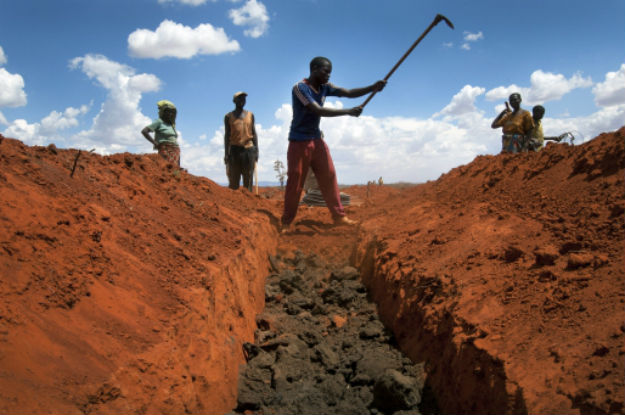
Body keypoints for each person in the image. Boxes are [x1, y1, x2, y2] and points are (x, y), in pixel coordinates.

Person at [280, 56, 386, 233]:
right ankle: (286, 222)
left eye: (330, 72)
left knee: (329, 176)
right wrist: (348, 112)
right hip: (299, 142)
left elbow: (347, 92)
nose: (328, 75)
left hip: (316, 139)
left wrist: (372, 88)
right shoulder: (300, 88)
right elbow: (317, 110)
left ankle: (339, 217)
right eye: (325, 71)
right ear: (314, 69)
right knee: (296, 182)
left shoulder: (325, 88)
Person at [224, 91, 258, 191]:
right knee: (234, 181)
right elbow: (227, 136)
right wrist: (226, 153)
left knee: (248, 180)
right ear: (234, 101)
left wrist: (256, 150)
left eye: (244, 99)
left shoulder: (250, 115)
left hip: (248, 150)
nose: (242, 101)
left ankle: (249, 205)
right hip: (234, 151)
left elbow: (254, 133)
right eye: (239, 99)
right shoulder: (228, 117)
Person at [141, 100, 180, 166]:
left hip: (175, 150)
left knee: (176, 169)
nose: (170, 114)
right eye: (167, 111)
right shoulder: (159, 122)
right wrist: (155, 143)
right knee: (166, 167)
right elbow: (144, 131)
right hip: (165, 149)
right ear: (163, 112)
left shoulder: (171, 125)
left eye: (171, 112)